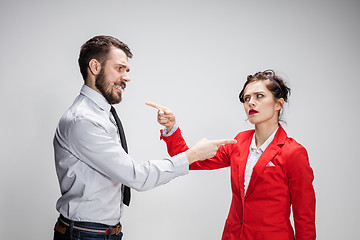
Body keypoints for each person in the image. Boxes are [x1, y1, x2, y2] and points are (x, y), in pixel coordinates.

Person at [52, 35, 237, 240]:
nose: (127, 77)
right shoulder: (84, 120)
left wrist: (171, 128)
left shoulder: (102, 113)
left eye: (127, 71)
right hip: (85, 234)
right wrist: (192, 155)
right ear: (95, 67)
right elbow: (136, 176)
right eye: (119, 68)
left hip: (102, 232)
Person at [147, 70, 316, 240]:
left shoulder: (293, 153)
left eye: (259, 96)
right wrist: (171, 127)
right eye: (247, 98)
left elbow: (304, 217)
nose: (251, 103)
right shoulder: (239, 142)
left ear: (278, 104)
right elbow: (190, 160)